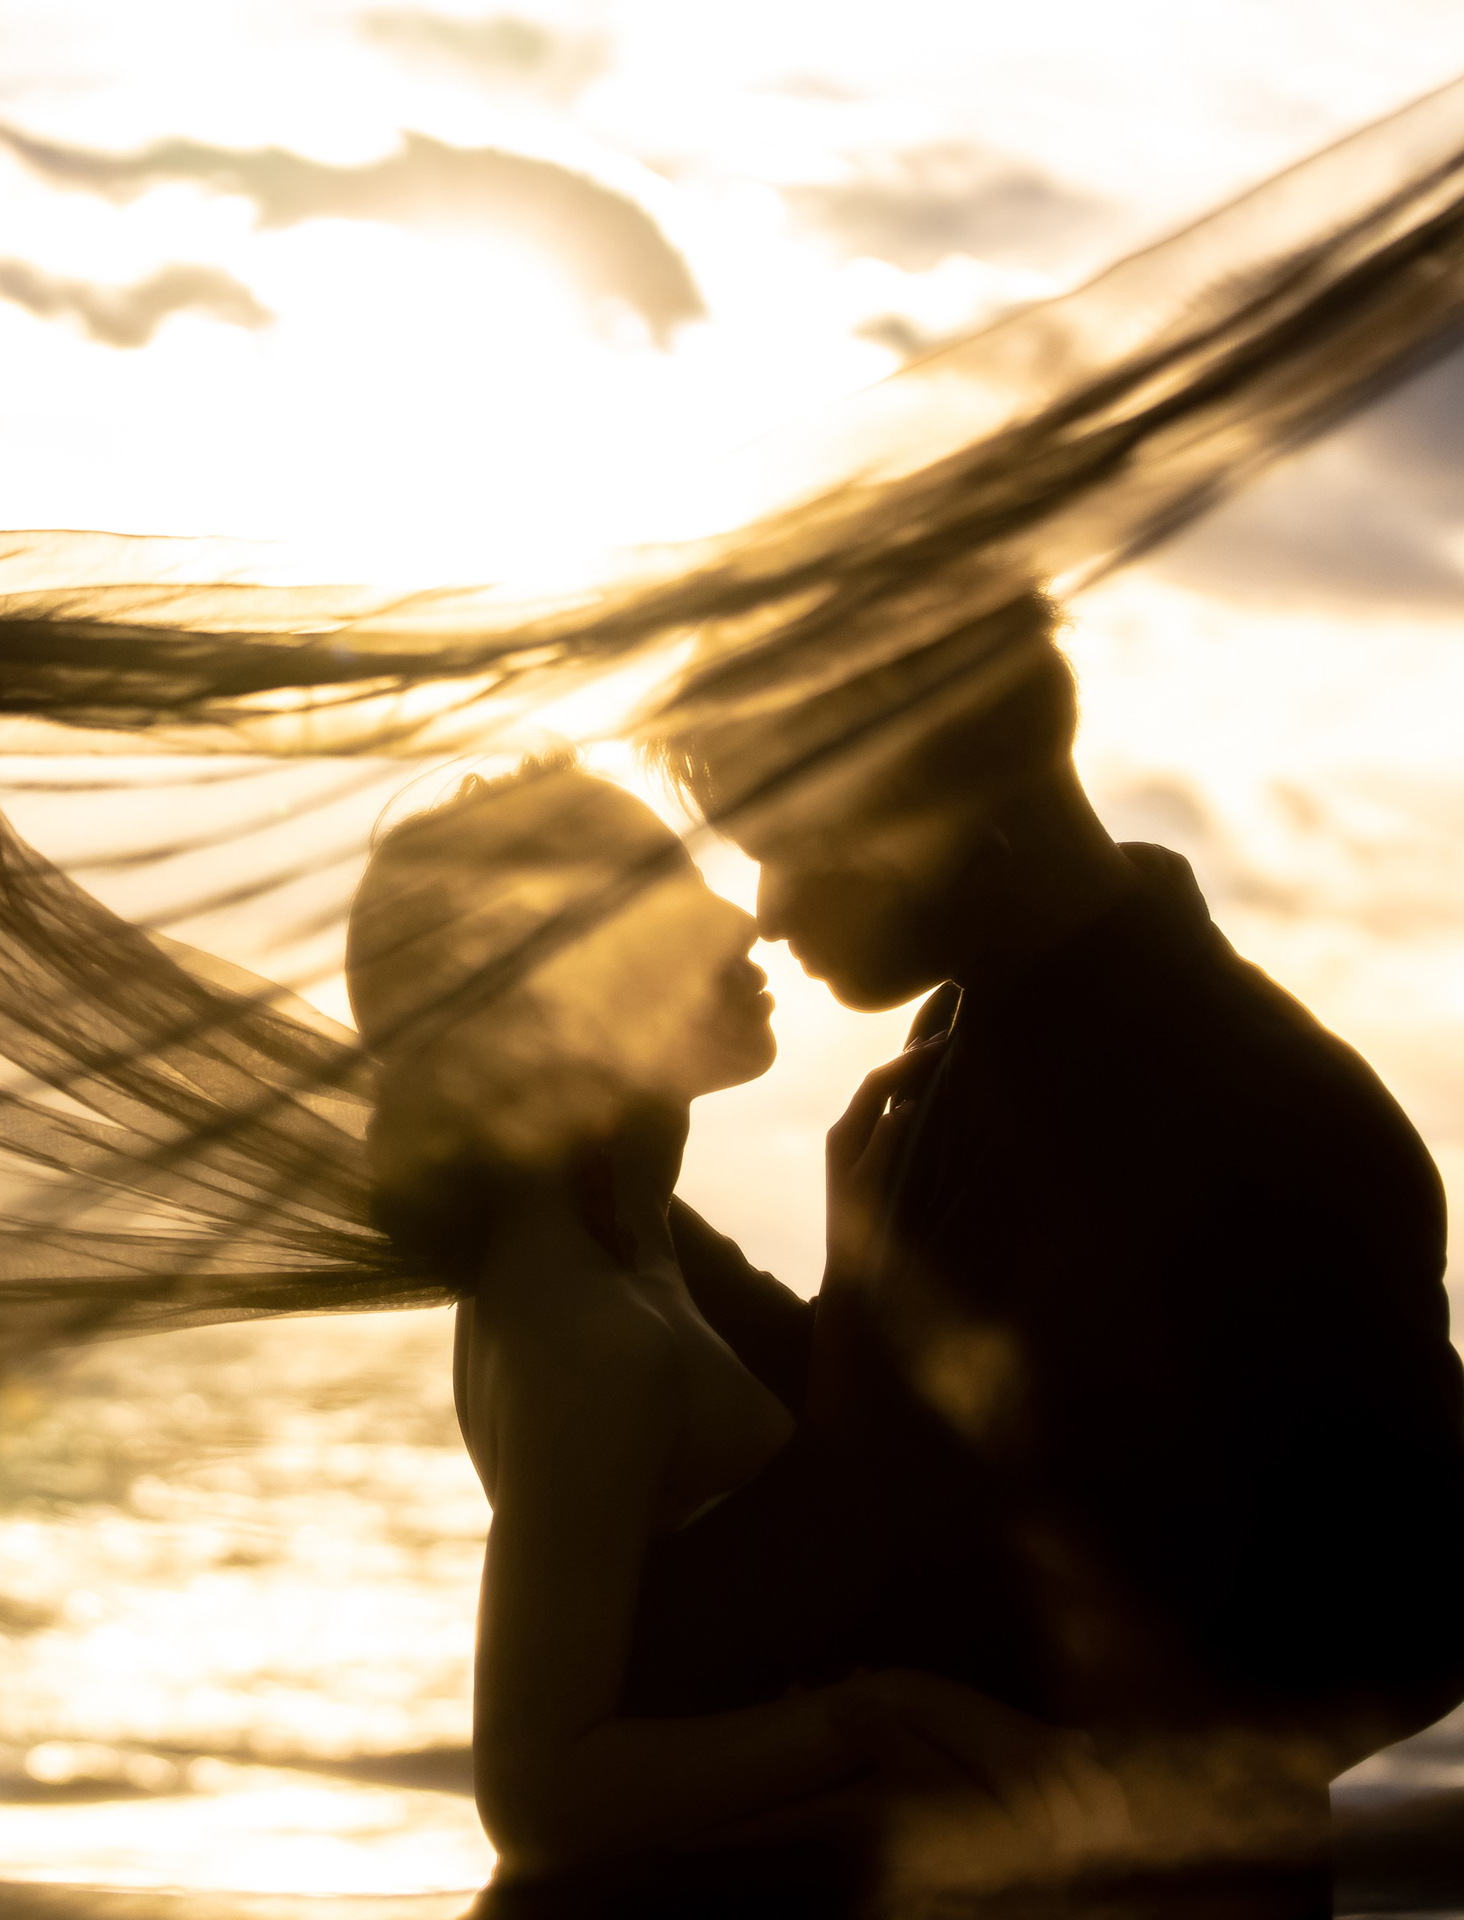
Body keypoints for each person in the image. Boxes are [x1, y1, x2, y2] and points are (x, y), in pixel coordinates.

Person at [618, 587, 1464, 1909]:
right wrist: (593, 1205)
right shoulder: (980, 1044)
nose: (769, 909)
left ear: (938, 808)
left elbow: (1419, 1614)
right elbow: (916, 1441)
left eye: (788, 843)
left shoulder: (1263, 1112)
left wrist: (1090, 1794)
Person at [345, 754, 1133, 1914]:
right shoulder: (586, 1328)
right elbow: (535, 1791)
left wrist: (861, 1260)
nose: (741, 920)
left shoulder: (643, 1238)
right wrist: (880, 1715)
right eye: (666, 895)